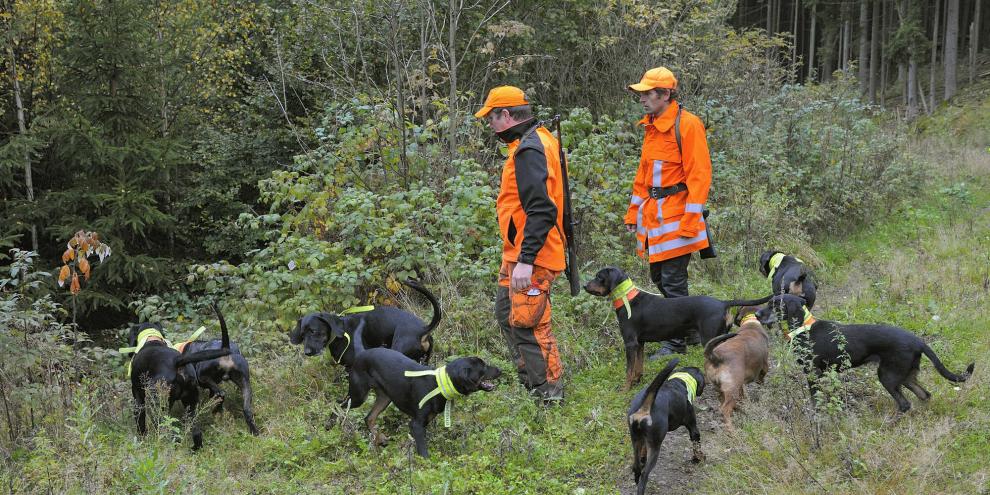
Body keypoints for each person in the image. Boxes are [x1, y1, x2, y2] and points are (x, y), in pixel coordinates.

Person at [475, 86, 565, 403]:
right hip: (518, 252)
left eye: (492, 118)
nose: (490, 125)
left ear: (508, 115)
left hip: (533, 254)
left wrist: (527, 259)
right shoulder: (532, 142)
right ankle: (530, 379)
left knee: (530, 325)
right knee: (506, 314)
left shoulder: (530, 149)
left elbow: (542, 208)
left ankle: (549, 392)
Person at [624, 67, 713, 358]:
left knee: (673, 282)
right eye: (641, 94)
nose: (642, 99)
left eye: (648, 93)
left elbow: (699, 175)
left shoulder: (688, 125)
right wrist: (632, 214)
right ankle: (690, 330)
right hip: (654, 218)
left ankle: (676, 342)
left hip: (678, 218)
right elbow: (643, 177)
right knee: (659, 276)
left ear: (665, 94)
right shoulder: (651, 126)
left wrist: (691, 220)